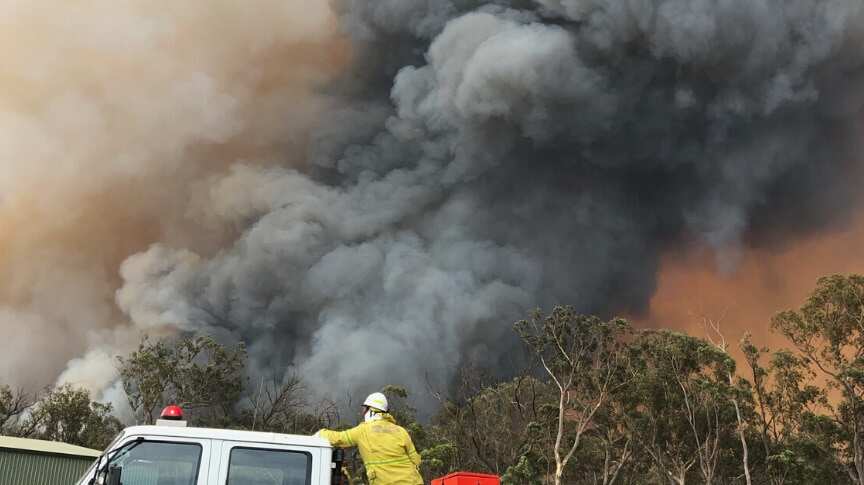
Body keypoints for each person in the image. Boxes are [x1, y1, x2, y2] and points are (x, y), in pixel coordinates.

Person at [315, 392, 423, 485]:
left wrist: (319, 434)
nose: (362, 412)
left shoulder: (363, 430)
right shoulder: (400, 431)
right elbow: (416, 460)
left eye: (364, 409)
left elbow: (339, 438)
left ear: (370, 410)